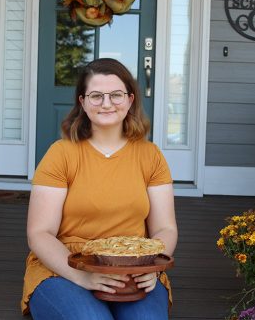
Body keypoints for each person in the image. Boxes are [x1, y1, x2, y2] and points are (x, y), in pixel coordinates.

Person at [21, 58, 178, 319]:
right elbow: (39, 232)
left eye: (116, 95)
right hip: (66, 264)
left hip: (135, 266)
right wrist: (82, 276)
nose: (106, 104)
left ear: (130, 100)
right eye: (96, 96)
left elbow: (166, 228)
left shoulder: (150, 156)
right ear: (82, 102)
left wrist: (154, 267)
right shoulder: (60, 154)